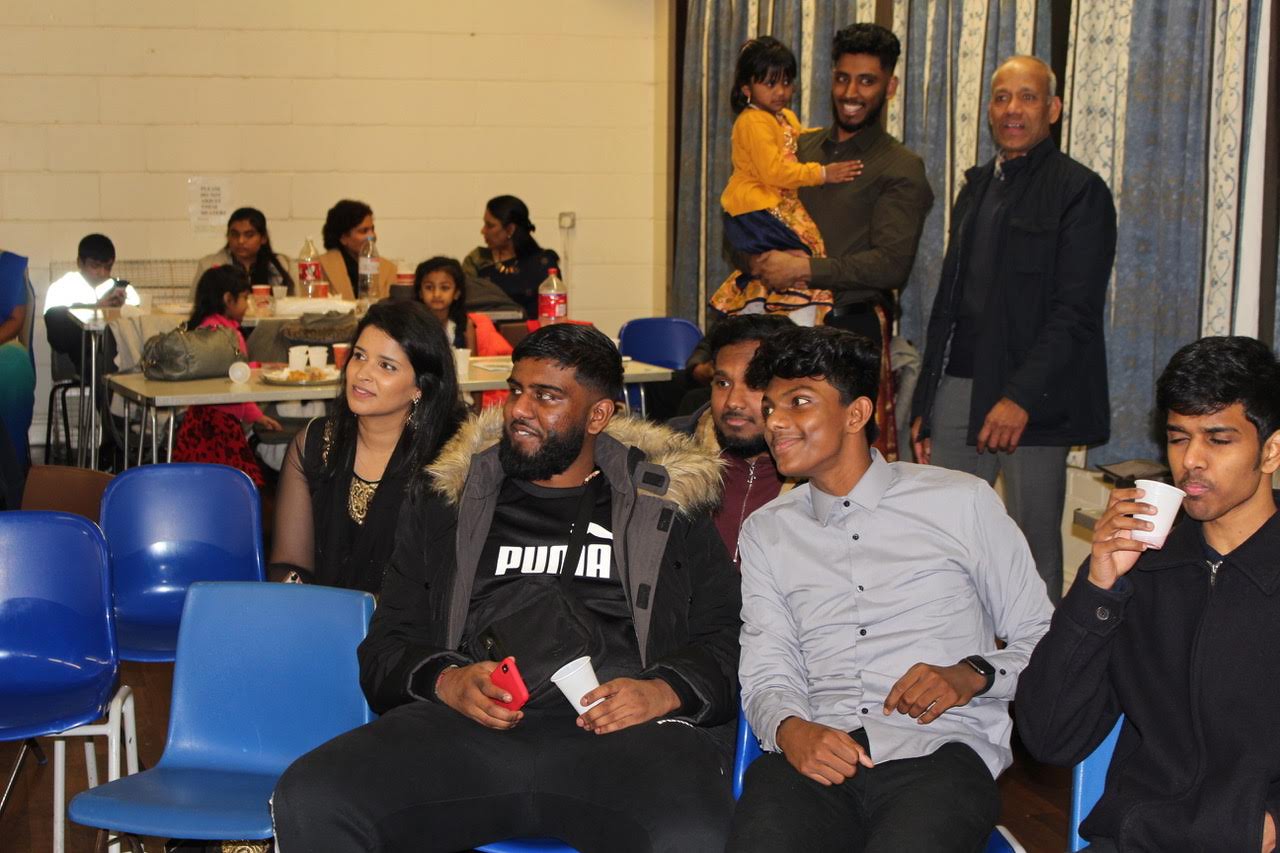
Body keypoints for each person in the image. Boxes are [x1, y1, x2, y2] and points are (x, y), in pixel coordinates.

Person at [273, 324, 741, 852]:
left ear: (598, 416)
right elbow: (385, 645)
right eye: (516, 390)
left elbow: (728, 636)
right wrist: (447, 681)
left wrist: (661, 691)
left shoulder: (665, 505)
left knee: (695, 833)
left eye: (547, 396)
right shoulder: (449, 502)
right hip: (471, 734)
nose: (518, 409)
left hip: (624, 739)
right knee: (312, 795)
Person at [728, 325, 1052, 853]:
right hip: (819, 751)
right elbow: (767, 668)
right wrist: (790, 729)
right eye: (769, 408)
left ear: (856, 414)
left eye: (799, 402)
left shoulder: (960, 502)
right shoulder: (767, 531)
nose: (775, 422)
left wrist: (972, 673)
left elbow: (1045, 641)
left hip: (940, 752)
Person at [1015, 336, 1280, 853]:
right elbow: (1049, 738)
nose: (1191, 461)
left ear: (1270, 450)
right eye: (1178, 439)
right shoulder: (1142, 570)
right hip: (1136, 839)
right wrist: (1098, 588)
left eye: (1218, 440)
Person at [910, 55, 1116, 604]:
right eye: (1001, 98)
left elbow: (1075, 311)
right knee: (947, 539)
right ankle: (952, 649)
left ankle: (1041, 660)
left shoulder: (1080, 190)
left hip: (1034, 402)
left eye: (1027, 97)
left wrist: (1020, 397)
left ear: (1053, 108)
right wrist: (925, 402)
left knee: (1030, 552)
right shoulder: (977, 187)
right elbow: (949, 303)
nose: (1012, 110)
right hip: (960, 385)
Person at [268, 300, 465, 593]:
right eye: (359, 356)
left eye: (386, 366)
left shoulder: (446, 461)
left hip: (407, 619)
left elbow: (444, 582)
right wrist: (295, 592)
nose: (362, 374)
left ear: (418, 388)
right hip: (323, 613)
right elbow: (289, 562)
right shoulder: (315, 444)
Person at [714, 36, 861, 326]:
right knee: (806, 251)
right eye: (770, 84)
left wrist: (833, 137)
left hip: (777, 201)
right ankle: (790, 309)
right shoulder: (752, 121)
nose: (781, 91)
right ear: (746, 88)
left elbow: (800, 140)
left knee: (803, 255)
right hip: (757, 207)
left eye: (786, 82)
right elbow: (775, 171)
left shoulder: (783, 116)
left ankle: (788, 306)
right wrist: (822, 173)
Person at [669, 313, 797, 568]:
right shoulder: (668, 457)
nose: (733, 402)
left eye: (754, 384)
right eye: (723, 383)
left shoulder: (820, 475)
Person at [170, 267, 282, 484]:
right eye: (245, 298)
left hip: (202, 418)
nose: (247, 305)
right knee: (234, 482)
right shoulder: (223, 335)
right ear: (228, 299)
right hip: (219, 424)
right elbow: (235, 379)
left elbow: (231, 369)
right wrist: (256, 414)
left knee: (201, 482)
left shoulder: (206, 329)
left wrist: (263, 367)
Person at [463, 195, 560, 319]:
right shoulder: (477, 260)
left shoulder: (543, 263)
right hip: (485, 330)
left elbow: (553, 314)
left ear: (510, 229)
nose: (483, 230)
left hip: (534, 330)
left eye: (490, 225)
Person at [190, 207, 294, 296]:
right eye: (235, 234)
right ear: (227, 236)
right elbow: (195, 306)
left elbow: (296, 304)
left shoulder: (284, 265)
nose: (240, 241)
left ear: (263, 238)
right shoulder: (208, 265)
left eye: (249, 235)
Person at [318, 199, 397, 300]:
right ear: (343, 238)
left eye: (372, 229)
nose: (372, 236)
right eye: (364, 231)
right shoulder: (320, 266)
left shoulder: (388, 269)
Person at [43, 234, 141, 314]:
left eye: (108, 267)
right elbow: (54, 320)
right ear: (80, 262)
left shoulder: (124, 290)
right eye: (95, 266)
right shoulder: (62, 288)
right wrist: (97, 308)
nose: (102, 273)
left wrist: (122, 309)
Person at [0, 250, 34, 467]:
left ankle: (9, 472)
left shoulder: (7, 266)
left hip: (2, 345)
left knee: (13, 364)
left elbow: (16, 320)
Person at [413, 256, 476, 351]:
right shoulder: (412, 325)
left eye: (445, 288)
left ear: (457, 293)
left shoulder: (465, 325)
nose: (436, 294)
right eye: (429, 287)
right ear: (420, 293)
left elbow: (471, 358)